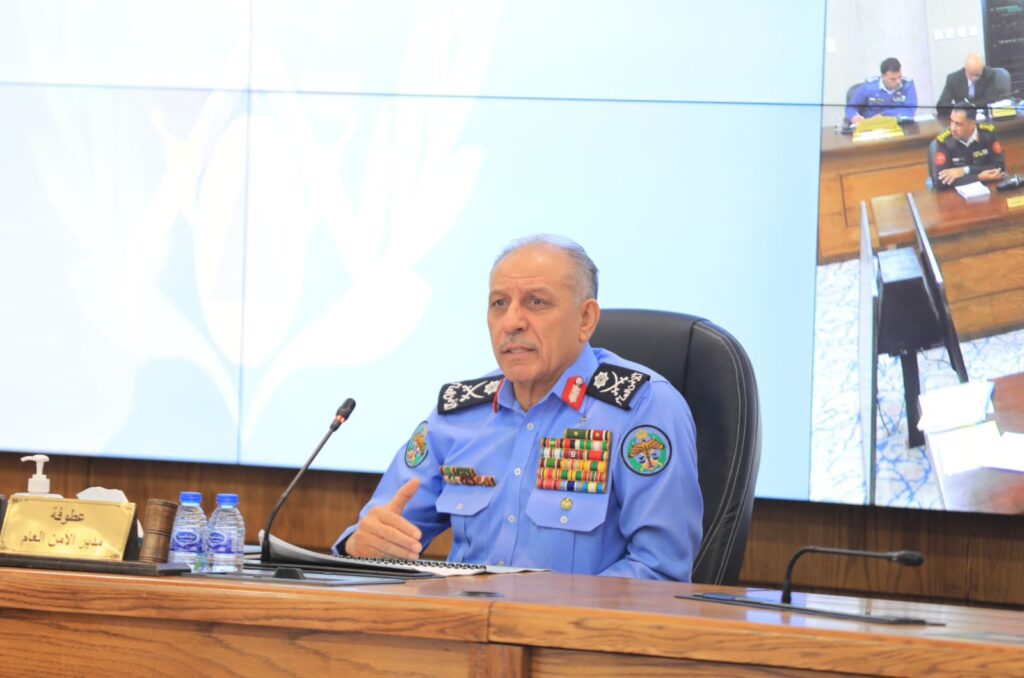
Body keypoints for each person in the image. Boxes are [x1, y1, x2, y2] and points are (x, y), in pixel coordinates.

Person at [334, 235, 702, 581]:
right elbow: (379, 530)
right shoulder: (459, 414)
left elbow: (659, 571)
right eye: (499, 303)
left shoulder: (642, 407)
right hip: (461, 621)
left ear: (586, 319)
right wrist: (362, 546)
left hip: (574, 628)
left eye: (536, 302)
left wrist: (543, 617)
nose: (511, 322)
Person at [929, 102, 1006, 189]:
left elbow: (1000, 168)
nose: (953, 128)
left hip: (986, 190)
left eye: (958, 124)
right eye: (951, 121)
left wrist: (964, 171)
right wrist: (978, 177)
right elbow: (940, 182)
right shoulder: (944, 141)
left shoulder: (987, 134)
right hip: (954, 194)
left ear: (972, 124)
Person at [846, 57, 917, 125]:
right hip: (871, 125)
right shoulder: (869, 87)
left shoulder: (907, 85)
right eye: (893, 79)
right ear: (883, 76)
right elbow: (851, 107)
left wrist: (884, 115)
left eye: (900, 77)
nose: (898, 81)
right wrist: (855, 117)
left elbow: (910, 111)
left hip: (898, 125)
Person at [936, 54, 1011, 111]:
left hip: (984, 116)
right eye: (971, 74)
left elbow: (990, 99)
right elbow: (942, 104)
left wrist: (971, 106)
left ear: (983, 68)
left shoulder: (989, 74)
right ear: (965, 67)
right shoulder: (953, 79)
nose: (974, 78)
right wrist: (959, 109)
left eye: (978, 75)